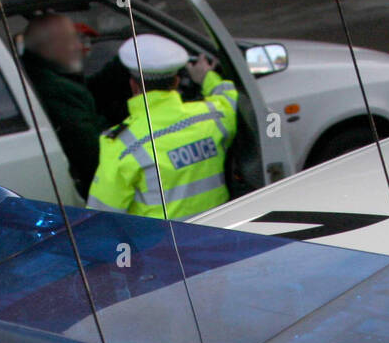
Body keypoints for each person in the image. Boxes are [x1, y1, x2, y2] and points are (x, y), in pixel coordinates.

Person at [86, 34, 238, 219]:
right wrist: (207, 76)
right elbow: (228, 95)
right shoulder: (213, 116)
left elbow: (101, 217)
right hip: (224, 235)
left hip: (164, 246)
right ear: (176, 82)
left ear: (133, 85)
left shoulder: (122, 145)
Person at [21, 14, 104, 199]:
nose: (78, 46)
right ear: (49, 48)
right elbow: (94, 159)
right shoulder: (58, 91)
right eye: (70, 40)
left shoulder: (42, 75)